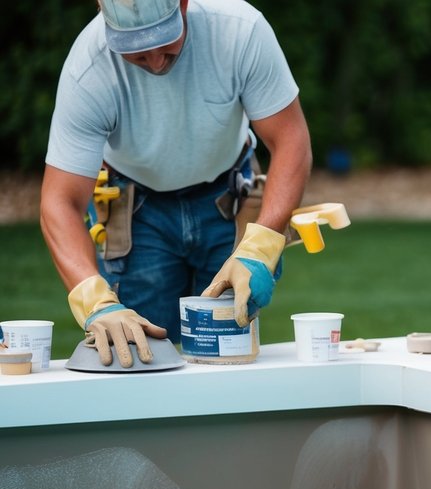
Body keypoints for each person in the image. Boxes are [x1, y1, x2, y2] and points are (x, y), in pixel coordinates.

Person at [40, 0, 312, 367]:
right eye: (137, 52)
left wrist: (262, 244)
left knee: (227, 352)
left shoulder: (238, 31)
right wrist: (95, 301)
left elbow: (291, 141)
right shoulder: (88, 71)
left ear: (183, 5)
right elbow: (60, 202)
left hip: (228, 195)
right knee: (139, 356)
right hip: (137, 208)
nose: (155, 62)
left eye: (165, 43)